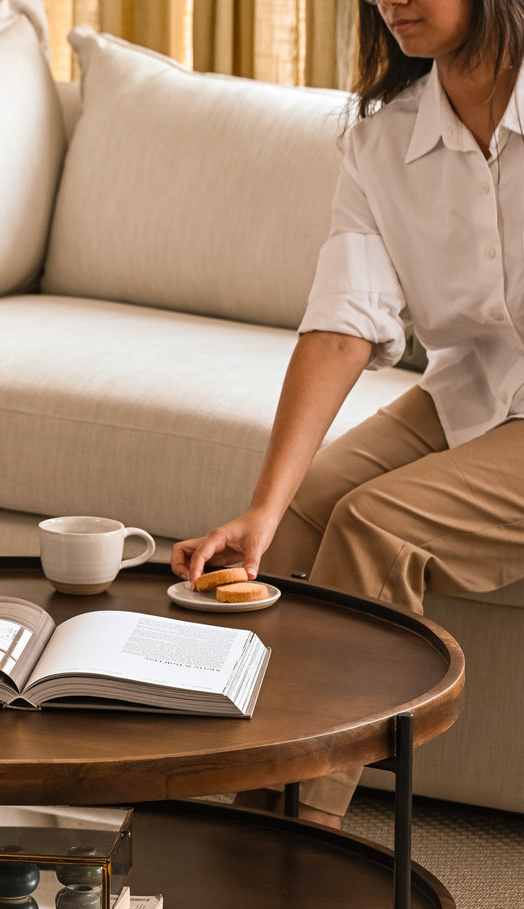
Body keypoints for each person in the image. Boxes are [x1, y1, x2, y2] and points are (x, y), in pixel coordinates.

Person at [171, 0, 524, 828]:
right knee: (290, 518)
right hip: (473, 392)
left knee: (376, 525)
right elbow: (342, 327)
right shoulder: (383, 139)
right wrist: (260, 510)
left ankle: (303, 838)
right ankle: (237, 804)